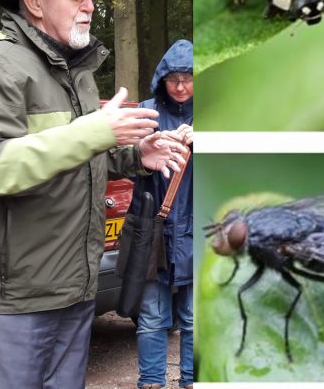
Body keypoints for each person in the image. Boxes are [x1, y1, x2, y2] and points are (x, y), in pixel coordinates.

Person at [0, 0, 188, 389]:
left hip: (76, 289)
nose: (89, 5)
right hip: (14, 301)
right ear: (33, 1)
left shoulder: (77, 72)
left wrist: (134, 155)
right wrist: (97, 132)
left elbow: (80, 154)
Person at [130, 39, 193, 389]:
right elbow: (124, 167)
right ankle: (151, 383)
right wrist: (145, 152)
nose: (181, 87)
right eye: (174, 79)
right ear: (162, 80)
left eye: (189, 78)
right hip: (155, 236)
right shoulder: (146, 111)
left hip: (200, 233)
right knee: (153, 319)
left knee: (196, 320)